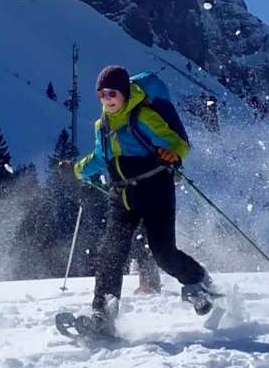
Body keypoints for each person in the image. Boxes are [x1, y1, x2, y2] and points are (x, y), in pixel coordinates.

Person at [73, 65, 219, 334]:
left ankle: (199, 281)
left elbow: (178, 144)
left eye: (112, 93)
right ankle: (102, 315)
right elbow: (101, 158)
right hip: (122, 197)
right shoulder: (101, 126)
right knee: (111, 256)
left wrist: (173, 153)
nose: (107, 99)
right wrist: (80, 169)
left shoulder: (143, 117)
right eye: (102, 94)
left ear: (125, 92)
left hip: (156, 192)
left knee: (163, 253)